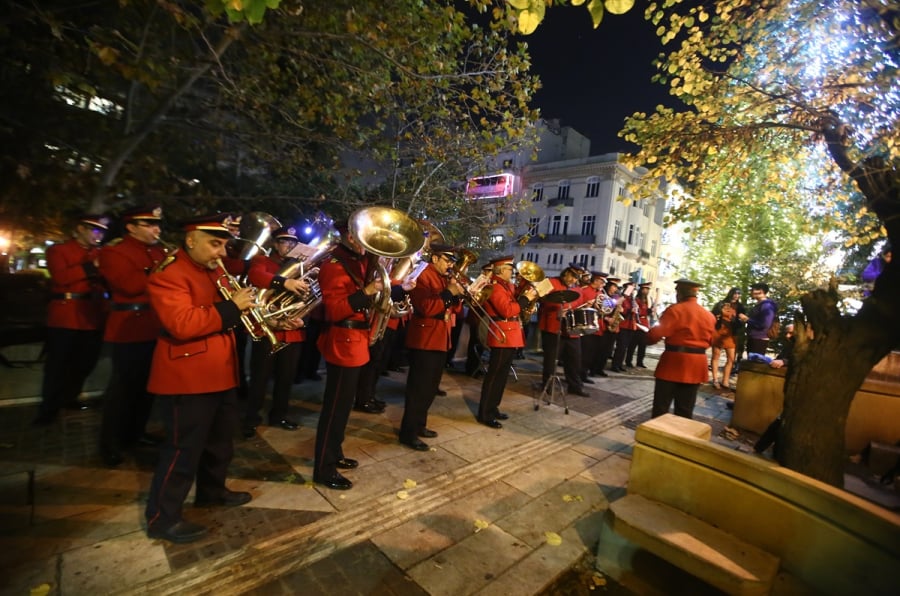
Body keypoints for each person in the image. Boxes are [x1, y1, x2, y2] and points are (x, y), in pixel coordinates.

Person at [144, 213, 253, 544]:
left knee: (220, 442)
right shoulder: (169, 273)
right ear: (191, 239)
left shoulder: (212, 269)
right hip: (188, 376)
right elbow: (183, 323)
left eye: (224, 244)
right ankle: (163, 518)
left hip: (221, 371)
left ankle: (212, 492)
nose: (222, 253)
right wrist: (233, 308)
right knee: (182, 450)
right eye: (215, 244)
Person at [313, 219, 383, 490]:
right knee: (335, 409)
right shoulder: (334, 265)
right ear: (348, 236)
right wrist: (366, 292)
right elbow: (335, 310)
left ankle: (335, 453)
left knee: (343, 408)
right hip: (342, 341)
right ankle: (324, 467)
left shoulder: (360, 261)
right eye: (360, 235)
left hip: (357, 341)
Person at [97, 205, 167, 466]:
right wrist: (160, 272)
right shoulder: (114, 252)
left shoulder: (159, 252)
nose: (156, 230)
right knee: (122, 391)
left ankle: (136, 434)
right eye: (149, 224)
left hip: (154, 325)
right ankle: (110, 443)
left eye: (157, 224)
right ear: (131, 226)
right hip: (129, 327)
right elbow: (129, 285)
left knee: (146, 390)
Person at [34, 213, 110, 426]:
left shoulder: (101, 253)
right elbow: (61, 278)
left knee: (85, 362)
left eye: (102, 232)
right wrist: (91, 267)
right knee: (57, 365)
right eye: (95, 230)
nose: (99, 235)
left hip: (92, 314)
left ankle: (69, 397)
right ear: (80, 229)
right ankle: (48, 408)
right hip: (66, 315)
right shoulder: (59, 250)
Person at [242, 226, 310, 438]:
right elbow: (255, 276)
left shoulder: (302, 266)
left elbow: (311, 297)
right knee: (260, 378)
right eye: (284, 241)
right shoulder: (263, 261)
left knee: (285, 378)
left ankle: (279, 414)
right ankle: (251, 418)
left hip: (292, 330)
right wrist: (285, 282)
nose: (288, 245)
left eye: (292, 243)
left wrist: (301, 320)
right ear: (274, 243)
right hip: (267, 328)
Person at [400, 243, 464, 450]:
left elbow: (452, 307)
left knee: (429, 388)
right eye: (448, 260)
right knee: (418, 389)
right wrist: (448, 292)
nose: (450, 265)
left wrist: (458, 294)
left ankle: (420, 424)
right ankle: (408, 433)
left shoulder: (443, 277)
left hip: (439, 337)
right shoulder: (422, 275)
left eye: (452, 261)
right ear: (435, 258)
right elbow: (426, 307)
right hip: (425, 337)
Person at [477, 255, 535, 428]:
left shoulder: (506, 285)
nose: (513, 271)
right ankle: (485, 413)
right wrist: (526, 299)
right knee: (494, 376)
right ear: (501, 270)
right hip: (501, 334)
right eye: (510, 269)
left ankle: (493, 407)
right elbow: (508, 310)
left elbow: (516, 298)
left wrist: (527, 287)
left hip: (510, 334)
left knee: (502, 376)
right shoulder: (494, 287)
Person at [647, 279, 716, 419]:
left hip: (673, 363)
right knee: (685, 410)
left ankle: (657, 438)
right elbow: (711, 340)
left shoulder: (675, 310)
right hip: (696, 365)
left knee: (661, 407)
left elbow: (657, 334)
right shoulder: (709, 315)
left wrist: (646, 338)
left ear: (680, 293)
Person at [537, 266, 590, 397]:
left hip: (572, 330)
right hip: (553, 327)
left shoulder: (578, 289)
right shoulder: (551, 282)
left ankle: (575, 386)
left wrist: (586, 307)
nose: (573, 280)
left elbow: (579, 306)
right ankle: (547, 384)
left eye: (576, 278)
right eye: (572, 276)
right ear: (566, 273)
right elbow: (538, 298)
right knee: (551, 359)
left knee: (574, 359)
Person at [709, 287, 745, 390]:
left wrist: (737, 321)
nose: (736, 295)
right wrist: (717, 318)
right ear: (730, 293)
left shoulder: (740, 307)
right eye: (734, 293)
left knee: (731, 358)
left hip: (731, 334)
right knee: (715, 356)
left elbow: (742, 321)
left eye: (738, 294)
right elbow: (712, 315)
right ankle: (715, 380)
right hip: (718, 332)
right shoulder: (721, 304)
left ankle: (725, 381)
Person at [580, 272, 608, 379]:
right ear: (595, 280)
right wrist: (588, 305)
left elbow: (607, 308)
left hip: (598, 326)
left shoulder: (601, 293)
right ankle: (580, 374)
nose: (603, 285)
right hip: (586, 324)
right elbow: (577, 306)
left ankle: (586, 373)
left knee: (592, 353)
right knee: (585, 352)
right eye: (602, 282)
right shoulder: (585, 290)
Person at [738, 282, 777, 357]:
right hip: (754, 338)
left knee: (754, 364)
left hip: (759, 340)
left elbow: (765, 324)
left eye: (753, 290)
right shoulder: (760, 305)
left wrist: (747, 319)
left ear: (761, 291)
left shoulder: (767, 305)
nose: (751, 292)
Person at [625, 282, 652, 369]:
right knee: (633, 344)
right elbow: (637, 311)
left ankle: (640, 361)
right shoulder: (636, 300)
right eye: (644, 289)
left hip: (645, 323)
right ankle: (628, 361)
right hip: (637, 323)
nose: (646, 291)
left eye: (647, 289)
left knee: (643, 345)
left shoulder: (649, 300)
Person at [610, 282, 636, 372]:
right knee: (620, 346)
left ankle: (620, 364)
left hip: (630, 325)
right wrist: (629, 310)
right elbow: (620, 309)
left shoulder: (632, 300)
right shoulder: (623, 298)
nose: (632, 292)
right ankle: (615, 365)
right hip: (623, 324)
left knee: (625, 347)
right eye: (631, 290)